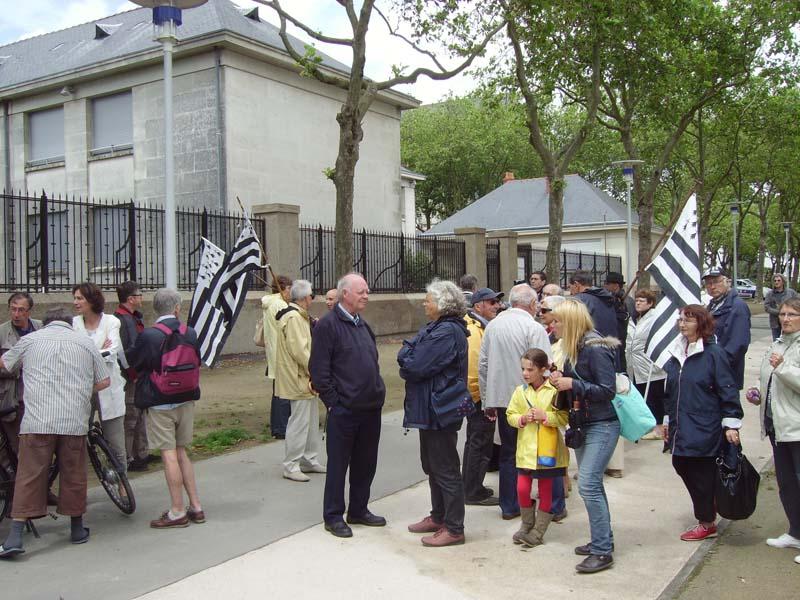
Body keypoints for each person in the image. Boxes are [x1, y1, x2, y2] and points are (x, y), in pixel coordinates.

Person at [0, 308, 109, 558]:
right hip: (73, 421)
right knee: (74, 473)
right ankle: (77, 529)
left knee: (29, 475)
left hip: (38, 420)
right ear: (70, 324)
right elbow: (104, 381)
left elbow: (6, 364)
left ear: (45, 324)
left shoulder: (29, 340)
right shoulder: (86, 343)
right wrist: (81, 387)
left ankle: (15, 536)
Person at [310, 273, 387, 538]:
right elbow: (319, 371)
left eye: (367, 291)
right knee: (338, 465)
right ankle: (333, 515)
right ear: (345, 294)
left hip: (370, 408)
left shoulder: (362, 325)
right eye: (361, 291)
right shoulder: (328, 326)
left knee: (366, 463)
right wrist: (334, 403)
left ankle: (358, 509)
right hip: (344, 410)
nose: (366, 295)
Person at [550, 298, 619, 574]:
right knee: (593, 486)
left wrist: (572, 383)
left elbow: (608, 389)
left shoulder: (595, 347)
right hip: (584, 423)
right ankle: (602, 541)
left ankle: (603, 551)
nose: (552, 326)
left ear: (571, 322)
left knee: (589, 485)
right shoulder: (575, 347)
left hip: (602, 424)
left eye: (557, 321)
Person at [663, 304, 742, 542]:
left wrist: (731, 423)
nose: (682, 324)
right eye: (680, 320)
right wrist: (667, 418)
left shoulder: (713, 353)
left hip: (703, 423)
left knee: (701, 472)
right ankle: (709, 505)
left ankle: (706, 521)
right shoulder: (678, 351)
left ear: (702, 323)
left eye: (688, 320)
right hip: (680, 423)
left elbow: (727, 388)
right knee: (681, 464)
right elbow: (671, 389)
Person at [127, 288, 204, 528]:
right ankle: (196, 506)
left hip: (160, 401)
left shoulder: (149, 335)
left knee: (168, 453)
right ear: (177, 308)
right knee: (182, 452)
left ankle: (177, 510)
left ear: (155, 308)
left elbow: (134, 362)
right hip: (186, 398)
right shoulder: (189, 332)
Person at [400, 280, 470, 547]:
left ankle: (454, 528)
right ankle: (438, 516)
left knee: (445, 468)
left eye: (428, 299)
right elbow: (410, 352)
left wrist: (408, 357)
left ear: (442, 304)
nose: (424, 303)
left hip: (441, 409)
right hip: (431, 409)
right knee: (432, 466)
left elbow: (415, 364)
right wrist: (409, 355)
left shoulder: (446, 332)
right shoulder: (436, 328)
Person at [479, 284, 552, 520]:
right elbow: (546, 367)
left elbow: (483, 365)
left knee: (509, 453)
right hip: (529, 399)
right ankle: (544, 503)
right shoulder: (532, 327)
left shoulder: (493, 326)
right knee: (537, 451)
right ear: (532, 304)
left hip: (501, 398)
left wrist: (487, 400)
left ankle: (509, 504)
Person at [751, 297, 800, 560]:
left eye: (792, 314)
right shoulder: (778, 343)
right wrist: (759, 393)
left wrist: (782, 367)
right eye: (782, 314)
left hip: (797, 427)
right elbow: (771, 381)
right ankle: (795, 532)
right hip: (777, 426)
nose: (786, 319)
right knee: (787, 483)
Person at [506, 348, 568, 547]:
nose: (525, 373)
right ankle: (527, 524)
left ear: (542, 370)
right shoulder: (519, 391)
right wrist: (522, 419)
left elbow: (563, 417)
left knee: (545, 490)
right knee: (522, 488)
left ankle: (538, 531)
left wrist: (545, 417)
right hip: (525, 450)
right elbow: (510, 415)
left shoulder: (554, 390)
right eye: (523, 369)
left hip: (547, 451)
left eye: (530, 369)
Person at [570, 271, 625, 477]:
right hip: (611, 355)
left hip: (591, 358)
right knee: (612, 409)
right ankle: (614, 465)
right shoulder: (608, 299)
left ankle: (592, 466)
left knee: (599, 413)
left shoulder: (581, 301)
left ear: (576, 285)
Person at [72, 282, 127, 472]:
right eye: (75, 298)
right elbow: (75, 356)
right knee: (78, 437)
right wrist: (98, 350)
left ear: (92, 300)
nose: (76, 302)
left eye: (80, 298)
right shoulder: (74, 324)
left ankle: (122, 481)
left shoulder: (112, 321)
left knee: (115, 439)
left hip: (108, 386)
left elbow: (112, 352)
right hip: (83, 387)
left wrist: (89, 352)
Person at [278, 280, 326, 482]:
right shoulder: (294, 317)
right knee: (299, 421)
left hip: (304, 377)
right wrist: (316, 370)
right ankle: (291, 464)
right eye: (312, 295)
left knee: (310, 419)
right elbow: (300, 351)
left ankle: (308, 458)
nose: (312, 299)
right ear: (305, 298)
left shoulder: (298, 316)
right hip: (299, 377)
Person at [462, 287, 503, 506]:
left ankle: (470, 486)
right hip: (479, 398)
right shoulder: (474, 330)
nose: (497, 306)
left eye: (497, 302)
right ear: (479, 306)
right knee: (479, 442)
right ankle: (472, 490)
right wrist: (483, 399)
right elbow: (474, 368)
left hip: (479, 396)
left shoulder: (481, 327)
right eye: (492, 302)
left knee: (477, 442)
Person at [0, 292, 42, 455]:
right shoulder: (3, 332)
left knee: (34, 445)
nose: (16, 314)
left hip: (37, 397)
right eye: (13, 309)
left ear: (29, 311)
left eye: (21, 310)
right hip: (11, 398)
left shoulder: (41, 328)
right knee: (13, 446)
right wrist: (18, 366)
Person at [114, 281, 149, 471]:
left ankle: (141, 452)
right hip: (130, 377)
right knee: (131, 416)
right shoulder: (122, 320)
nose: (142, 297)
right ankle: (128, 456)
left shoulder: (133, 318)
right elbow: (125, 352)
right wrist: (133, 374)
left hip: (139, 374)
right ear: (131, 299)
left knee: (140, 413)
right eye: (139, 294)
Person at [625, 289, 667, 440]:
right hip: (634, 364)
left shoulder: (655, 317)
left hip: (650, 364)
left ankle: (659, 428)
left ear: (650, 303)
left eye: (642, 300)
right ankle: (646, 426)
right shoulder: (633, 318)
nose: (637, 303)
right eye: (636, 300)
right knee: (641, 395)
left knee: (655, 397)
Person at [703, 268, 751, 390]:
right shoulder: (712, 305)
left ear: (728, 282)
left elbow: (737, 345)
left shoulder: (737, 306)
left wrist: (716, 367)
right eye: (709, 283)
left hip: (725, 376)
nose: (712, 286)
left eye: (717, 281)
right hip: (712, 372)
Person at [262, 275, 293, 439]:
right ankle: (281, 428)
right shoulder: (280, 305)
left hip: (274, 352)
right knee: (283, 392)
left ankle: (278, 426)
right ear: (283, 288)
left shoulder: (270, 304)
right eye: (289, 288)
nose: (291, 292)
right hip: (281, 354)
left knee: (278, 391)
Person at [604, 272, 634, 372]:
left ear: (616, 285)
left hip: (620, 337)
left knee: (620, 364)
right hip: (613, 337)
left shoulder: (626, 301)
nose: (605, 286)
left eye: (608, 283)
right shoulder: (612, 299)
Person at [764, 274, 797, 340]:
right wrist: (779, 312)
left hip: (788, 320)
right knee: (776, 341)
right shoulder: (770, 294)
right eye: (775, 281)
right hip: (775, 322)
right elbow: (766, 307)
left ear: (783, 282)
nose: (776, 282)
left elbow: (797, 303)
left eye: (779, 280)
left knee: (789, 339)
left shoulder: (791, 293)